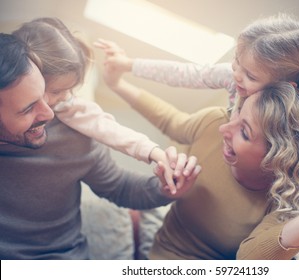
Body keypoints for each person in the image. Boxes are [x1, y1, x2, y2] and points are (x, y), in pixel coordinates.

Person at [97, 50, 299, 259]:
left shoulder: (284, 200)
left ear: (275, 159)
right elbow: (170, 119)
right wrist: (117, 84)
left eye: (244, 132)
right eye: (237, 112)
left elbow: (249, 260)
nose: (226, 127)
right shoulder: (214, 122)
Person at [94, 13, 299, 207]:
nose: (237, 76)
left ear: (286, 85)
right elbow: (186, 73)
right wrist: (129, 64)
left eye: (250, 76)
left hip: (262, 196)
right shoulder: (233, 75)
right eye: (237, 62)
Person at [0, 33, 200, 259]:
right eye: (27, 109)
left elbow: (120, 187)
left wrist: (165, 187)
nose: (49, 113)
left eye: (45, 94)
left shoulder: (74, 133)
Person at [11, 17, 195, 194]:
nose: (66, 97)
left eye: (69, 90)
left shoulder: (68, 108)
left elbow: (108, 128)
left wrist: (155, 153)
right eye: (57, 91)